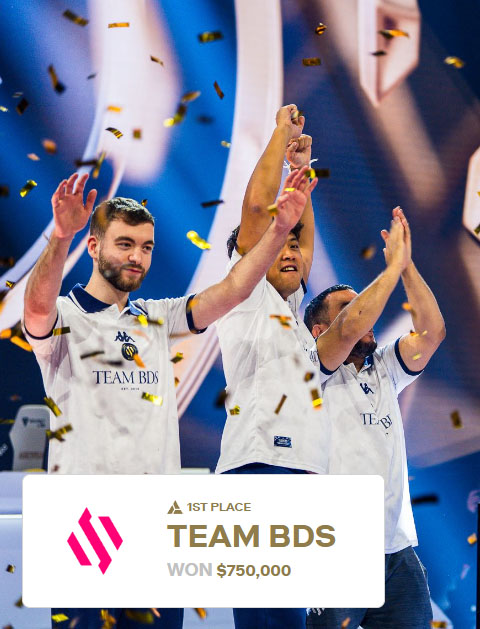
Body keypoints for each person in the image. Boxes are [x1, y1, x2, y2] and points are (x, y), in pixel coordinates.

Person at [23, 167, 309, 629]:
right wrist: (60, 236)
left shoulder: (157, 319)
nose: (137, 257)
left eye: (146, 247)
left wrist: (278, 231)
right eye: (125, 244)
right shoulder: (64, 317)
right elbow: (35, 309)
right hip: (85, 524)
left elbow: (233, 290)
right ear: (93, 246)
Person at [304, 207, 446, 629]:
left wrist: (406, 266)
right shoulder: (308, 367)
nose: (368, 316)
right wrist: (389, 268)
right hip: (334, 549)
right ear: (319, 331)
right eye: (351, 308)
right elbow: (349, 328)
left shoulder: (384, 367)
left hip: (396, 549)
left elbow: (433, 332)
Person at [214, 105, 328, 629]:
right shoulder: (245, 295)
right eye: (278, 244)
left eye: (296, 247)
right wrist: (282, 136)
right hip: (259, 469)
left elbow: (301, 239)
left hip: (296, 470)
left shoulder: (293, 314)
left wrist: (301, 174)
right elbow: (259, 212)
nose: (291, 251)